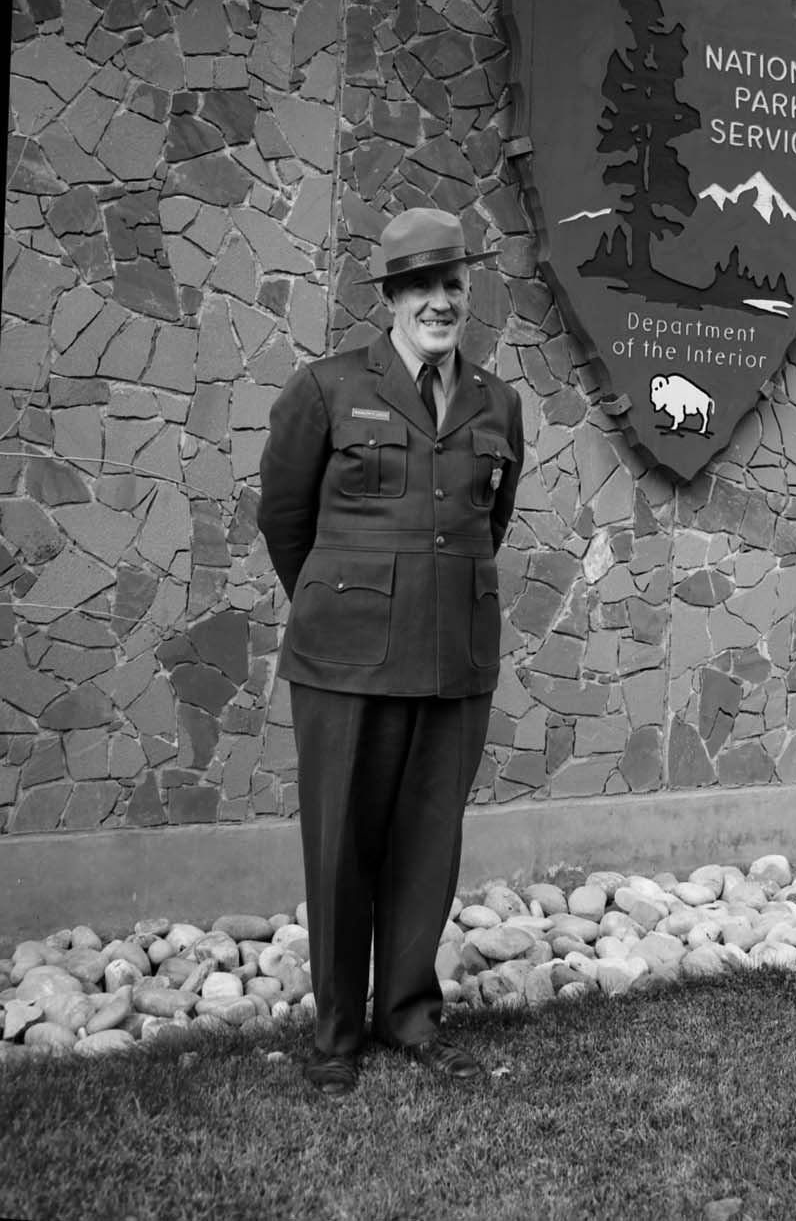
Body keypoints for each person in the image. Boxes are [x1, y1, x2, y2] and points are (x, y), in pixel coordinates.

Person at [257, 206, 525, 1097]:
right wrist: (345, 600)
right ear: (392, 297)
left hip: (453, 654)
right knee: (341, 844)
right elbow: (284, 521)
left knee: (426, 845)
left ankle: (408, 1015)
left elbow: (489, 518)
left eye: (453, 283)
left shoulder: (498, 402)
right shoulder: (327, 387)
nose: (439, 301)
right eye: (421, 284)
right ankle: (336, 1036)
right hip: (345, 659)